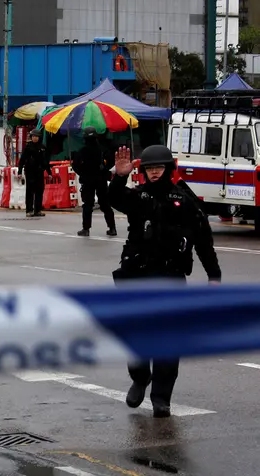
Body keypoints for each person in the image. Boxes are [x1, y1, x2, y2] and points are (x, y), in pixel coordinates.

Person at [109, 144, 222, 418]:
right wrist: (120, 176)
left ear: (170, 169)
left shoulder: (185, 201)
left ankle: (162, 397)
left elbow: (203, 241)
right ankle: (139, 377)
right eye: (149, 168)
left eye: (158, 167)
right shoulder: (138, 196)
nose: (154, 172)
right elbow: (112, 199)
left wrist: (214, 275)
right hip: (136, 276)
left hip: (170, 277)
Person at [72, 126, 117, 237]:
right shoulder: (102, 149)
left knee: (88, 205)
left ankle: (86, 229)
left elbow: (75, 166)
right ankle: (112, 228)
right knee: (105, 204)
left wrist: (83, 173)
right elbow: (111, 162)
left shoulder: (82, 151)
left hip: (87, 181)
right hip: (101, 180)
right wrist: (104, 171)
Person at [18, 128, 52, 217]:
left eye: (36, 136)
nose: (35, 138)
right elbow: (22, 160)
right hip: (30, 171)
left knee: (39, 190)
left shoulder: (42, 147)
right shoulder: (28, 147)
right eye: (33, 136)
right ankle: (29, 210)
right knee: (30, 191)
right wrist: (19, 171)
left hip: (39, 171)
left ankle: (38, 210)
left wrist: (49, 172)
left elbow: (45, 161)